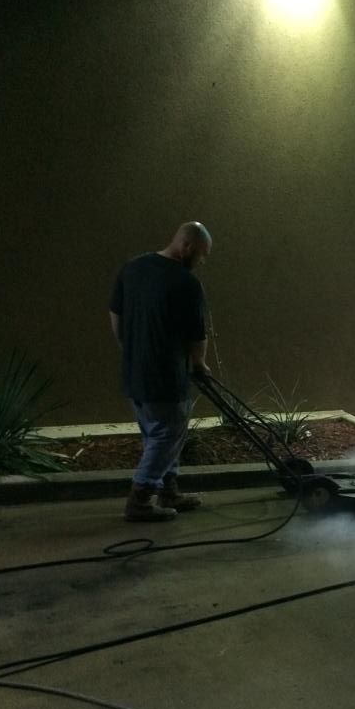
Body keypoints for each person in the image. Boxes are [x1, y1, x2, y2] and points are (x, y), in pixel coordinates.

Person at [109, 221, 212, 521]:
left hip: (134, 373)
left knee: (154, 434)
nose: (201, 262)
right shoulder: (186, 283)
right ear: (188, 247)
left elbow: (115, 313)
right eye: (202, 255)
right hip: (166, 377)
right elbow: (197, 335)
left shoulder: (132, 268)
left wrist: (128, 348)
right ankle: (140, 501)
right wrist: (200, 365)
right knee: (167, 435)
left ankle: (169, 491)